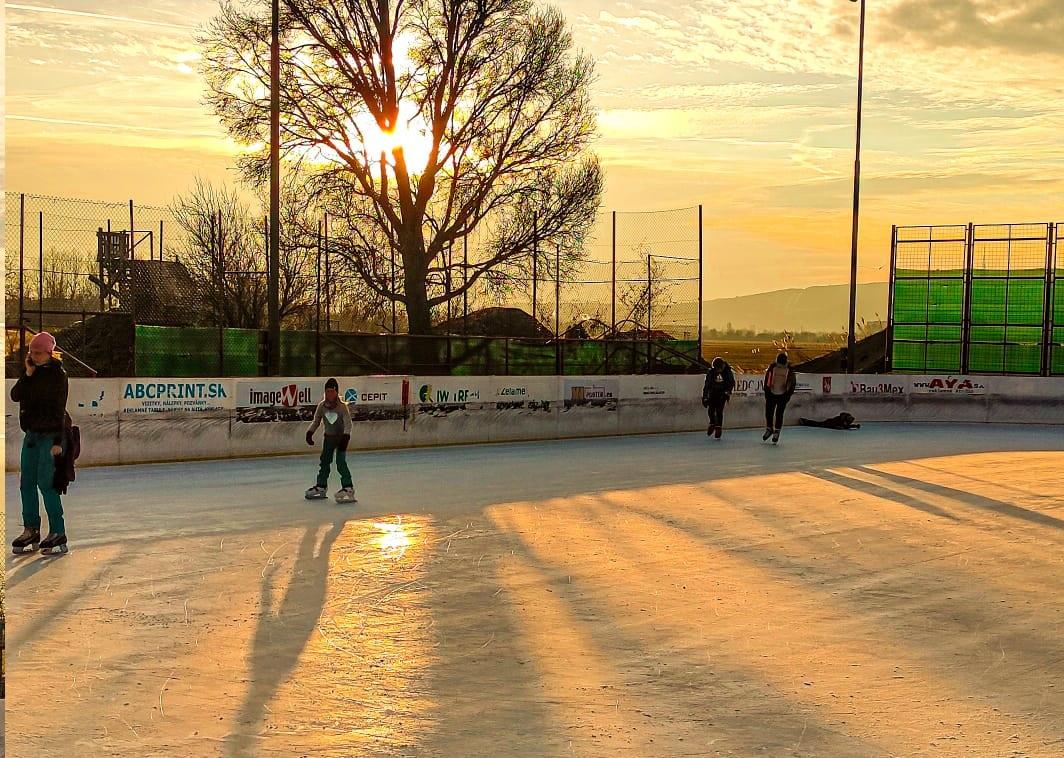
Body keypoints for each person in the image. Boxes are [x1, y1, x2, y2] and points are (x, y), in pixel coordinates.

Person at [10, 332, 70, 555]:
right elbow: (15, 395)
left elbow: (58, 409)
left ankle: (58, 530)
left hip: (49, 436)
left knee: (47, 483)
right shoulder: (31, 373)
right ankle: (31, 528)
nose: (33, 356)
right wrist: (27, 373)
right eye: (31, 353)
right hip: (32, 435)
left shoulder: (58, 375)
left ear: (48, 353)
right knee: (26, 483)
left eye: (37, 353)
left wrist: (57, 441)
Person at [305, 378, 355, 503]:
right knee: (324, 462)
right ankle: (321, 486)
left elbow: (348, 424)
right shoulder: (322, 406)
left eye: (332, 391)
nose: (329, 394)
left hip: (341, 439)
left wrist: (346, 437)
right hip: (328, 438)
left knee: (340, 462)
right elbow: (316, 421)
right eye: (327, 391)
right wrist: (310, 432)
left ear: (336, 392)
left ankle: (348, 487)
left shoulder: (342, 407)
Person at [763, 352, 796, 444]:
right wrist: (767, 391)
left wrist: (788, 395)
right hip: (771, 394)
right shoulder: (772, 368)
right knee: (769, 412)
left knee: (779, 413)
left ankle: (776, 431)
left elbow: (792, 384)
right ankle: (769, 428)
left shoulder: (789, 370)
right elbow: (767, 381)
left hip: (783, 395)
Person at [701, 356, 735, 439]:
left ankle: (718, 427)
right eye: (716, 369)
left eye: (719, 369)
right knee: (711, 410)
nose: (718, 371)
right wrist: (705, 396)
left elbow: (731, 383)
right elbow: (707, 385)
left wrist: (727, 392)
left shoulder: (727, 372)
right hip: (713, 393)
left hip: (722, 394)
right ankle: (712, 423)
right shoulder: (711, 372)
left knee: (719, 410)